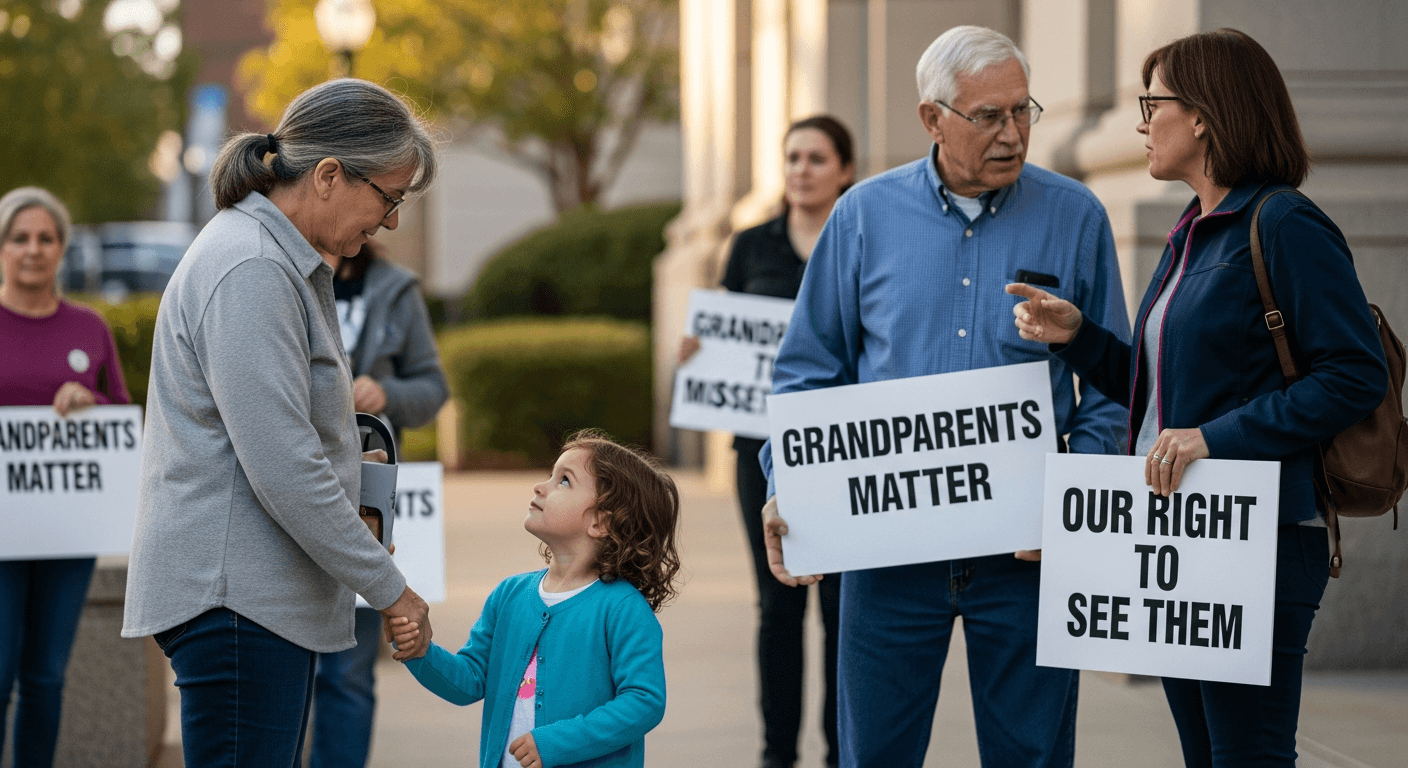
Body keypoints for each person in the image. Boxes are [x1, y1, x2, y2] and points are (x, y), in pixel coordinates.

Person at [1008, 28, 1387, 767]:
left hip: (1262, 538)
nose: (1142, 123)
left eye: (1153, 104)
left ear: (1206, 115)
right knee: (1208, 754)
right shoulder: (1192, 231)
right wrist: (1081, 338)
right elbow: (1165, 399)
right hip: (1185, 541)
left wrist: (1214, 437)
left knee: (1248, 753)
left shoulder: (1283, 222)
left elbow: (1353, 374)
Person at [759, 26, 1131, 768]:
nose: (1012, 133)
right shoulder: (862, 216)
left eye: (1023, 111)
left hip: (1026, 555)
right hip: (886, 552)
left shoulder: (1076, 215)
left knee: (1033, 756)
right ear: (933, 119)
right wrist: (788, 483)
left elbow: (1117, 386)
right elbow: (806, 372)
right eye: (987, 116)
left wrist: (1074, 491)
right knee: (875, 756)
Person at [120, 78, 440, 766]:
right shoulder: (253, 267)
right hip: (238, 599)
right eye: (389, 197)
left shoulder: (271, 259)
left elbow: (282, 438)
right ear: (328, 175)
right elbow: (284, 468)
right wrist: (391, 590)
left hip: (250, 599)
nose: (389, 222)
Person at [679, 114, 854, 768]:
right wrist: (699, 353)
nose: (800, 170)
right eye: (792, 158)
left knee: (843, 609)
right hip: (761, 450)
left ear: (844, 169)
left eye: (815, 158)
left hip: (844, 449)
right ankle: (776, 754)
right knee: (778, 607)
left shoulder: (859, 237)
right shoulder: (751, 246)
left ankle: (844, 752)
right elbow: (728, 333)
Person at [394, 429, 679, 768]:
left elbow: (644, 702)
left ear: (600, 522)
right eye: (551, 475)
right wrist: (421, 653)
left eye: (564, 481)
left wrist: (557, 742)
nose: (540, 486)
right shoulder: (509, 595)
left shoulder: (623, 608)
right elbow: (469, 679)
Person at [0, 187, 130, 767]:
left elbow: (122, 417)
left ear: (62, 249)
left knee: (46, 677)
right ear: (2, 248)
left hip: (67, 534)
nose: (33, 249)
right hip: (1, 534)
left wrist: (92, 403)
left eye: (46, 238)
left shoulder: (89, 328)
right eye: (20, 238)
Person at [309, 239, 450, 768]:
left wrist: (386, 395)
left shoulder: (395, 290)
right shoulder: (278, 276)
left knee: (346, 670)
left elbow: (434, 388)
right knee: (292, 662)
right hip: (290, 493)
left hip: (367, 505)